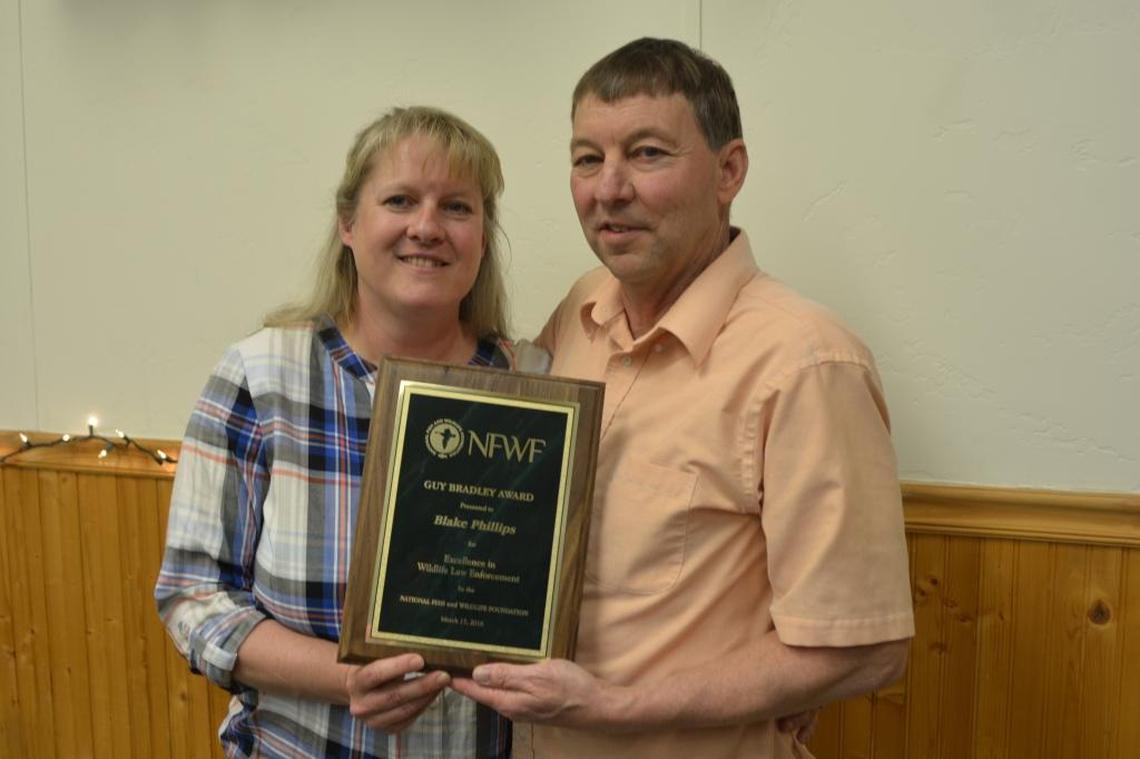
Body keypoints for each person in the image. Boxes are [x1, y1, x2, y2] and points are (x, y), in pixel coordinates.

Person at [452, 38, 915, 757]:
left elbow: (865, 647)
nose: (608, 188)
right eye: (586, 158)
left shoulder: (805, 360)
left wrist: (617, 705)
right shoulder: (579, 311)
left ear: (729, 170)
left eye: (647, 154)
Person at [155, 106, 542, 758]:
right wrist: (346, 678)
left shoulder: (530, 387)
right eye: (399, 199)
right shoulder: (263, 374)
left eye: (456, 207)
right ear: (348, 224)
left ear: (482, 235)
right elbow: (194, 598)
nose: (427, 227)